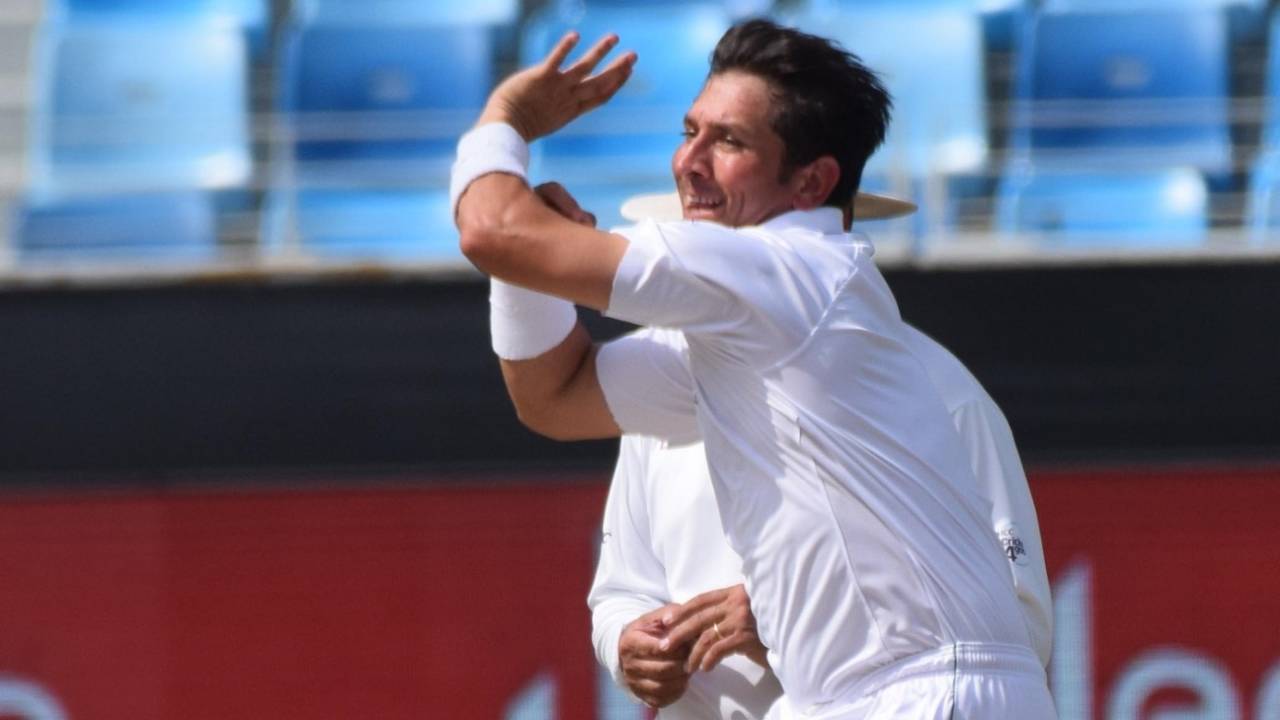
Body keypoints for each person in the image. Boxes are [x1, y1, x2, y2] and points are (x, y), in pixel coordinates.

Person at [452, 18, 1056, 717]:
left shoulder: (782, 270)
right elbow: (553, 398)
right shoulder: (759, 326)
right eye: (688, 133)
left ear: (812, 183)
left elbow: (489, 228)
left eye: (729, 141)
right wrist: (525, 276)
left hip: (921, 695)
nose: (688, 163)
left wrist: (505, 122)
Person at [588, 323, 1053, 716]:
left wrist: (790, 622)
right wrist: (626, 646)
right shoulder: (657, 383)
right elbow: (621, 590)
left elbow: (1018, 632)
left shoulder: (942, 391)